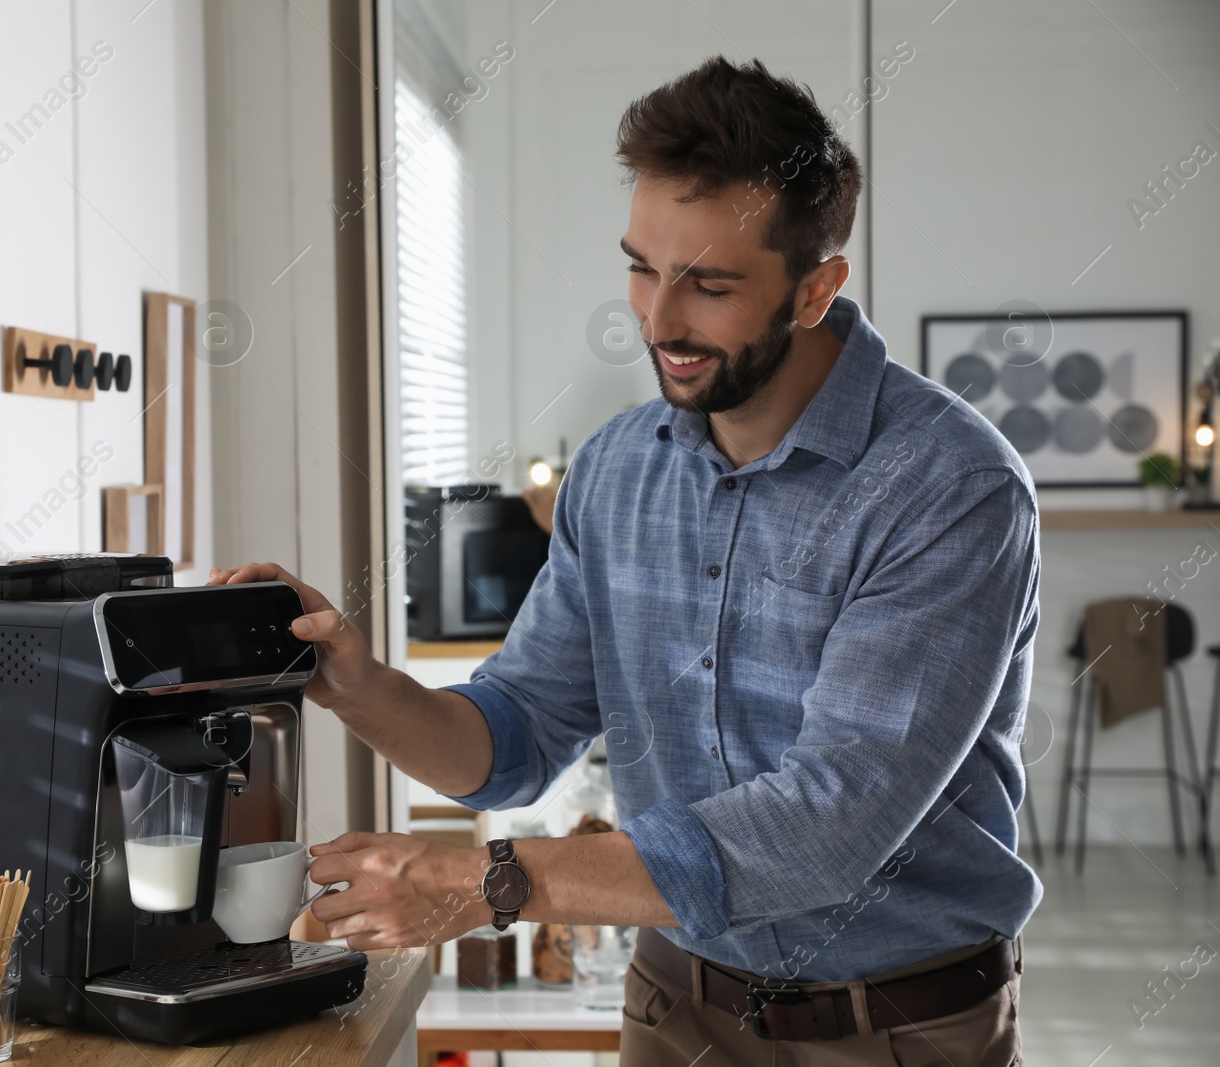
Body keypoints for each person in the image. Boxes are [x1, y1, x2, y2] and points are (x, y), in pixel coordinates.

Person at [210, 56, 1039, 1067]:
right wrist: (358, 682)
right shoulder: (614, 469)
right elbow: (513, 738)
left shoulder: (946, 486)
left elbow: (830, 822)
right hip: (675, 1014)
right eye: (641, 266)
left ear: (817, 286)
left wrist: (485, 881)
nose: (656, 319)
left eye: (710, 284)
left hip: (896, 1029)